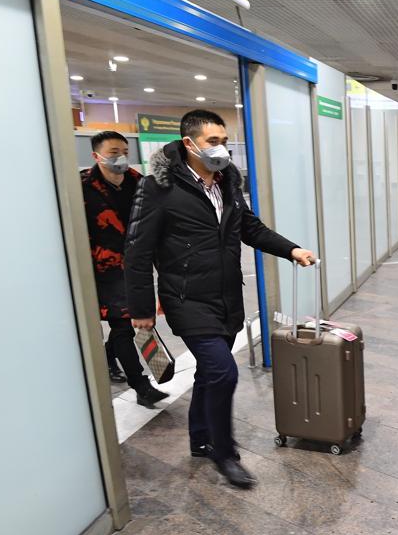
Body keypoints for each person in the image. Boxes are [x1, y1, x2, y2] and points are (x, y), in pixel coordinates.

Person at [125, 110, 316, 489]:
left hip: (227, 297)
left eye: (224, 141)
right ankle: (223, 453)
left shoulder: (227, 181)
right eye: (213, 142)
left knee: (209, 373)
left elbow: (249, 227)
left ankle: (200, 436)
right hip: (187, 299)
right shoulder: (157, 188)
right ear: (189, 144)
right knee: (223, 372)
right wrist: (143, 311)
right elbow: (137, 252)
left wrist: (291, 249)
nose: (221, 149)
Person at [82, 131, 169, 405]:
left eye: (124, 151)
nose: (120, 157)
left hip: (136, 266)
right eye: (112, 152)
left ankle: (110, 358)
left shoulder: (138, 182)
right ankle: (141, 386)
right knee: (123, 326)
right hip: (103, 269)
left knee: (124, 323)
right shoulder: (82, 185)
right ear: (96, 156)